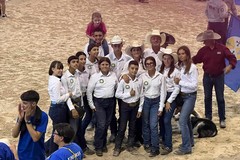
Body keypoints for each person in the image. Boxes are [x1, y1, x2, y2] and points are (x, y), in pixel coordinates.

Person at [192, 30, 237, 128]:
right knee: (207, 97)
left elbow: (232, 58)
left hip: (219, 76)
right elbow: (195, 59)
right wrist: (186, 62)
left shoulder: (222, 48)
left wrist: (230, 66)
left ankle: (222, 118)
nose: (204, 42)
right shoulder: (203, 50)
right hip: (207, 76)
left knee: (220, 98)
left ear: (211, 40)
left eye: (205, 40)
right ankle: (208, 117)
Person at [87, 57, 118, 156]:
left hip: (110, 102)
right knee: (101, 124)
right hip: (99, 102)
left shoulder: (113, 75)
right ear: (99, 66)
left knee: (106, 124)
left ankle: (103, 144)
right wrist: (91, 105)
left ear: (109, 66)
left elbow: (117, 87)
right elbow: (89, 91)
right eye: (103, 64)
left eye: (107, 64)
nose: (105, 66)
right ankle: (98, 146)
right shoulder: (95, 76)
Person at [137, 56, 167, 157]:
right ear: (145, 66)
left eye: (151, 63)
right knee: (145, 123)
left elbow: (163, 92)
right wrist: (140, 108)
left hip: (155, 101)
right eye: (147, 64)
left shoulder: (161, 76)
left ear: (154, 64)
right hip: (146, 101)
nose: (149, 65)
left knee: (153, 125)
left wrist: (161, 107)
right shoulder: (142, 77)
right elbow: (141, 93)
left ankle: (155, 147)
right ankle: (147, 143)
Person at [113, 60, 143, 156]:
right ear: (128, 69)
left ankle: (130, 145)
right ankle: (117, 147)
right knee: (122, 127)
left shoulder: (139, 81)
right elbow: (117, 94)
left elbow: (142, 95)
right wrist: (128, 94)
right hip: (125, 106)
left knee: (133, 127)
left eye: (136, 69)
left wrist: (140, 109)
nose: (134, 71)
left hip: (135, 106)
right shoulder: (124, 80)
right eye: (132, 68)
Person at [106, 35, 132, 143]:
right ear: (112, 46)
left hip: (123, 89)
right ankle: (113, 132)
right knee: (111, 112)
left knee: (123, 112)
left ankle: (121, 132)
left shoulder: (128, 59)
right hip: (111, 88)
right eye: (114, 45)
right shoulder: (107, 58)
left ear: (121, 45)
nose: (116, 47)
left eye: (118, 45)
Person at [174, 46, 198, 155]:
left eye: (183, 53)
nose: (181, 55)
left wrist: (180, 83)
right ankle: (190, 142)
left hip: (190, 96)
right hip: (184, 96)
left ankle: (186, 147)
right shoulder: (182, 66)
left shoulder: (192, 68)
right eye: (179, 54)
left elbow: (194, 86)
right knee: (187, 120)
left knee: (182, 121)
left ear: (187, 54)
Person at [47, 60, 74, 155]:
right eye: (58, 68)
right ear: (52, 69)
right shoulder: (56, 82)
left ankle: (50, 151)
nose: (60, 70)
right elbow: (58, 99)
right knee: (58, 134)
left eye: (61, 68)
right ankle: (52, 153)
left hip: (56, 108)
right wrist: (68, 95)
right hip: (58, 109)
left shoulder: (53, 79)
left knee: (56, 132)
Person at [12, 90, 48, 160]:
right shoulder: (22, 114)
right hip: (22, 154)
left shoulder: (43, 116)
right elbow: (14, 135)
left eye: (25, 103)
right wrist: (19, 120)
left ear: (34, 104)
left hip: (37, 155)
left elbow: (35, 138)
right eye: (22, 103)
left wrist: (27, 120)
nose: (22, 106)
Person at [158, 48, 180, 155]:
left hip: (171, 96)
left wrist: (169, 101)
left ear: (171, 60)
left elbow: (177, 88)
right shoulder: (160, 70)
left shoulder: (176, 71)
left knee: (167, 119)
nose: (166, 61)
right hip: (163, 94)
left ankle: (168, 145)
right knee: (161, 118)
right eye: (164, 58)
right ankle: (163, 138)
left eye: (168, 59)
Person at [61, 56, 84, 146]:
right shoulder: (65, 77)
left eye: (77, 62)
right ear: (68, 64)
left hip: (79, 102)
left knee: (78, 127)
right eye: (73, 62)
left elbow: (79, 90)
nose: (76, 63)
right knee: (73, 128)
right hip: (72, 103)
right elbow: (66, 94)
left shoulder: (77, 74)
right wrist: (72, 109)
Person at [75, 51, 95, 156]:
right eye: (80, 59)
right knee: (78, 121)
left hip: (86, 96)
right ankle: (81, 143)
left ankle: (80, 135)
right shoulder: (74, 73)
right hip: (78, 99)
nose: (83, 61)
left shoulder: (87, 71)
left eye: (84, 59)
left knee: (89, 116)